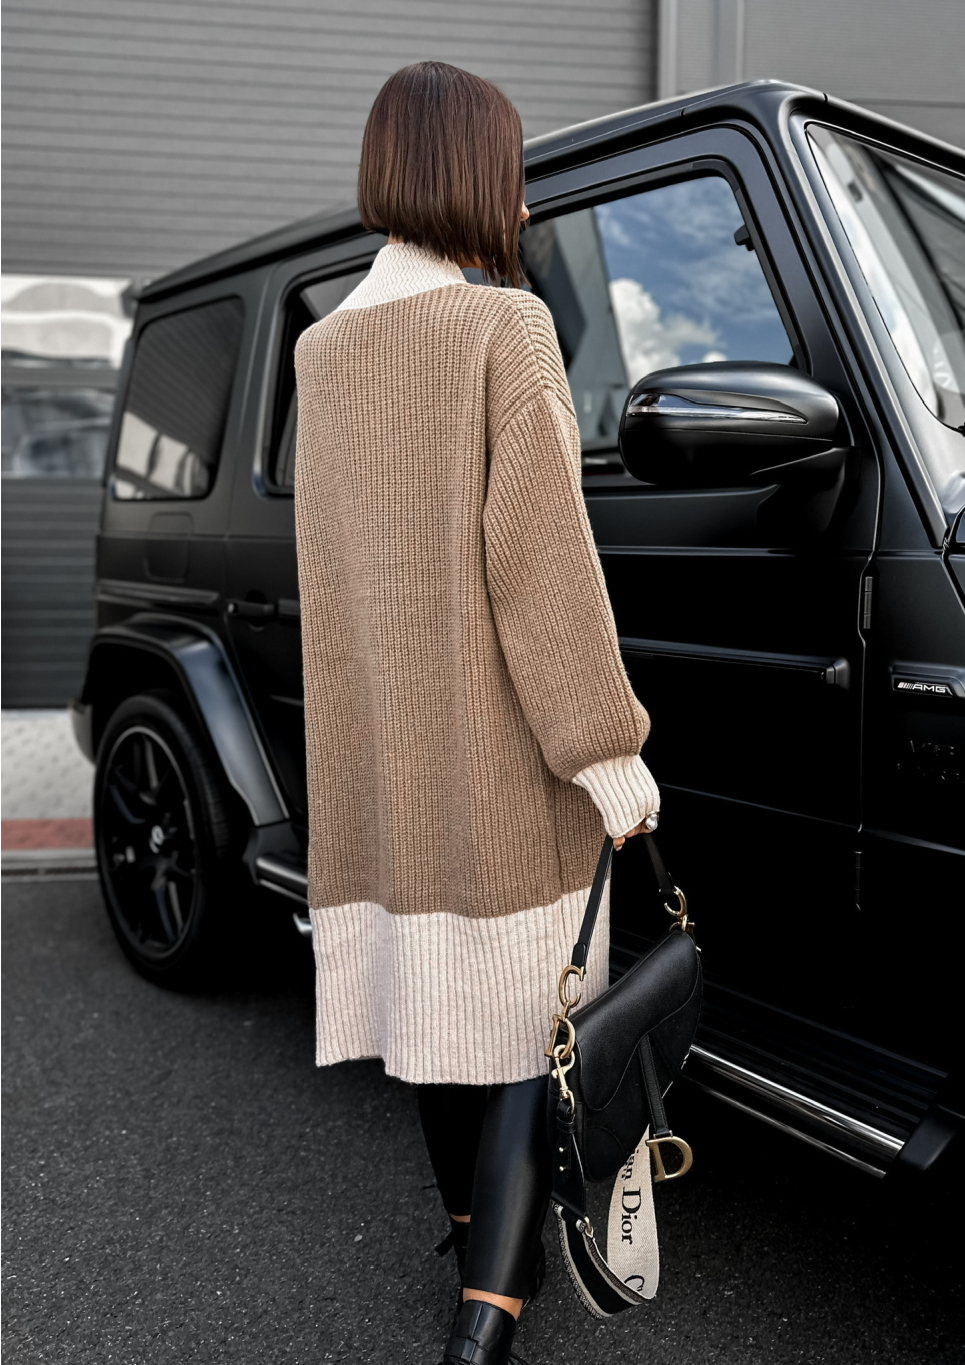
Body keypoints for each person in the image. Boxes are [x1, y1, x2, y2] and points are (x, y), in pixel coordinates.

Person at [294, 61, 659, 1363]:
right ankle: (485, 1325)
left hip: (380, 759)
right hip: (505, 758)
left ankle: (476, 1245)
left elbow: (331, 573)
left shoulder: (322, 350)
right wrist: (606, 753)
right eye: (510, 173)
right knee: (521, 1023)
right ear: (473, 176)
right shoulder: (508, 328)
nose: (520, 199)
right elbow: (544, 568)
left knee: (435, 1013)